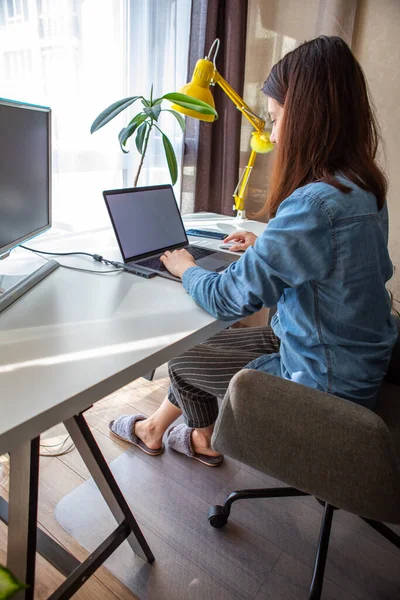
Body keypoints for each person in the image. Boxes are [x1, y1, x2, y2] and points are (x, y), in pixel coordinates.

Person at [109, 35, 397, 467]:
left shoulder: (314, 203)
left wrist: (186, 266)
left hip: (317, 383)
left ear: (309, 120)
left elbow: (229, 298)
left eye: (276, 118)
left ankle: (195, 435)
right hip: (354, 364)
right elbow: (339, 264)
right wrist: (268, 246)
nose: (273, 133)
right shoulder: (364, 187)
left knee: (183, 356)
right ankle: (179, 433)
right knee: (212, 346)